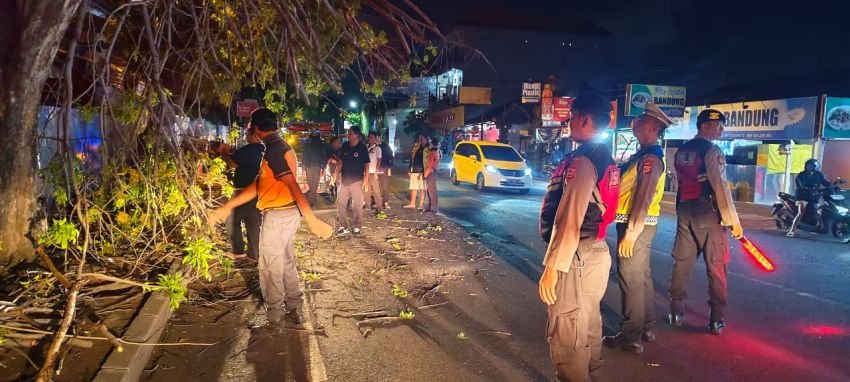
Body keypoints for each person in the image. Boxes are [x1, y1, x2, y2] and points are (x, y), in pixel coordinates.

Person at [208, 108, 332, 325]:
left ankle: (275, 316)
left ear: (255, 128)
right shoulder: (276, 148)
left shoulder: (275, 150)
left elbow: (294, 187)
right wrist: (229, 206)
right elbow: (258, 184)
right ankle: (295, 305)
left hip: (279, 215)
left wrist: (312, 221)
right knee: (284, 262)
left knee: (269, 267)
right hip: (284, 213)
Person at [537, 93, 620, 381]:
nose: (569, 121)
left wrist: (552, 268)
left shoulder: (583, 161)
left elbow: (570, 218)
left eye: (572, 116)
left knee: (568, 333)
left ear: (585, 119)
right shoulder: (603, 156)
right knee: (587, 325)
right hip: (594, 251)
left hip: (575, 256)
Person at [603, 103, 671, 354]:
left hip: (637, 227)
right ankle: (646, 327)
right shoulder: (643, 155)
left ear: (652, 128)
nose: (636, 124)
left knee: (630, 279)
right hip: (641, 226)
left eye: (641, 122)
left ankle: (631, 337)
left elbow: (642, 199)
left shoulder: (650, 159)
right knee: (641, 278)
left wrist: (630, 234)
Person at [669, 109, 744, 335]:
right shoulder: (712, 151)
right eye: (718, 125)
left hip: (685, 210)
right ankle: (716, 319)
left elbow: (682, 181)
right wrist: (733, 221)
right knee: (717, 266)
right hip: (708, 213)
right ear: (704, 126)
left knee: (682, 262)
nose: (721, 129)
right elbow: (720, 187)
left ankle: (675, 312)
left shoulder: (682, 150)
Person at [214, 126, 265, 260]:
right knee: (254, 224)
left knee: (232, 219)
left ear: (255, 135)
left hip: (243, 191)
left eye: (248, 133)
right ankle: (254, 254)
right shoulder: (265, 150)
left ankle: (238, 250)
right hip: (260, 192)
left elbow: (232, 163)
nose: (247, 136)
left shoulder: (248, 149)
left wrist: (224, 152)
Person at [332, 128, 370, 236]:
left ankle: (357, 227)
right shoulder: (345, 146)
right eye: (348, 133)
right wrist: (335, 174)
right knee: (340, 203)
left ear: (357, 135)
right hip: (344, 181)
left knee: (357, 205)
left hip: (357, 181)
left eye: (351, 133)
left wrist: (366, 180)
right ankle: (343, 226)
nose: (348, 135)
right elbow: (340, 161)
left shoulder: (362, 148)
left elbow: (366, 164)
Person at [787, 158, 831, 237]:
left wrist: (832, 186)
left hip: (813, 196)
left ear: (815, 166)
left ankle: (819, 226)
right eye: (808, 165)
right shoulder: (801, 175)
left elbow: (826, 183)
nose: (809, 167)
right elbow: (801, 184)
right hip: (802, 196)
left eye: (811, 165)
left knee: (819, 210)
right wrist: (809, 188)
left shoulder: (819, 175)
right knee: (801, 212)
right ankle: (792, 230)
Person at [302, 131, 329, 205]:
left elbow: (304, 157)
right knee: (313, 183)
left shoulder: (309, 145)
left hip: (312, 166)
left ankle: (312, 200)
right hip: (315, 166)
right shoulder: (320, 145)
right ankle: (312, 199)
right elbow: (324, 158)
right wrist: (323, 168)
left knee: (312, 183)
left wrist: (303, 169)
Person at [404, 133, 428, 210]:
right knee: (413, 188)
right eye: (419, 138)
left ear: (426, 139)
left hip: (422, 171)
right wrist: (409, 169)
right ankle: (412, 203)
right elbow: (412, 158)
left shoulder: (427, 149)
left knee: (422, 188)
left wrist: (424, 172)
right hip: (414, 170)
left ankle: (421, 204)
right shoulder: (417, 148)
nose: (420, 140)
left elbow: (427, 161)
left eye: (422, 138)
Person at [365, 131, 383, 212]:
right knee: (366, 190)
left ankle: (379, 208)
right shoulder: (365, 147)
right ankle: (367, 206)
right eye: (369, 137)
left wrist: (376, 171)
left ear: (375, 139)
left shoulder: (377, 148)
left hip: (373, 172)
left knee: (376, 191)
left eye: (372, 137)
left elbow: (379, 160)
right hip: (366, 172)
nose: (370, 139)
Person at [423, 137, 440, 213]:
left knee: (431, 191)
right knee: (431, 190)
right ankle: (431, 207)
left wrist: (425, 175)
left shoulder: (433, 152)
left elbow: (430, 165)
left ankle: (433, 208)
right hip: (433, 172)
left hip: (431, 173)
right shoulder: (436, 151)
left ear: (432, 144)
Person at [377, 135, 394, 209]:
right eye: (376, 137)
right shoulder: (373, 147)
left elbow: (390, 157)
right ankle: (377, 202)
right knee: (377, 187)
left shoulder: (386, 146)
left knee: (385, 186)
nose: (377, 139)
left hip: (384, 169)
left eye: (379, 137)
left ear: (381, 138)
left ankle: (385, 202)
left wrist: (388, 167)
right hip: (375, 170)